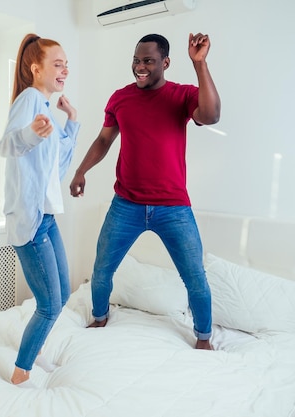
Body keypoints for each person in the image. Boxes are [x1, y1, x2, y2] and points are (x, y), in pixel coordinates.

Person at [69, 33, 221, 350]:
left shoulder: (182, 96)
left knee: (194, 276)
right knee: (101, 270)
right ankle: (99, 318)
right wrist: (81, 171)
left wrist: (200, 63)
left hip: (173, 207)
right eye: (136, 61)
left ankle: (204, 338)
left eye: (148, 61)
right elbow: (103, 141)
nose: (140, 67)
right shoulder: (120, 98)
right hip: (126, 204)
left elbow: (211, 116)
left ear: (165, 63)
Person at [0, 33, 79, 385]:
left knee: (61, 292)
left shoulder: (46, 107)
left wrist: (72, 120)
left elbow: (58, 167)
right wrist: (30, 133)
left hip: (47, 217)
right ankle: (20, 373)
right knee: (49, 304)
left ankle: (39, 353)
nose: (64, 71)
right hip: (29, 221)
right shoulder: (29, 99)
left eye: (66, 65)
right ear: (36, 69)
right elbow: (8, 145)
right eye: (57, 64)